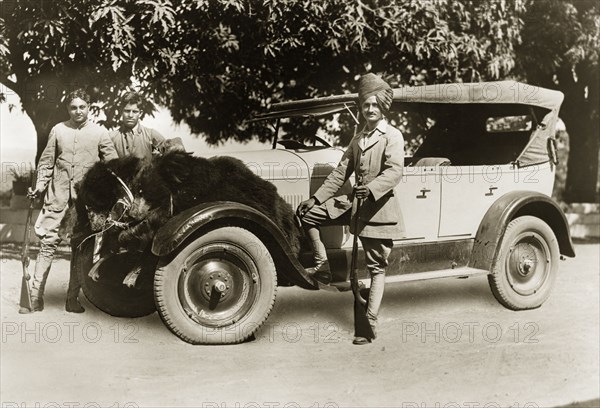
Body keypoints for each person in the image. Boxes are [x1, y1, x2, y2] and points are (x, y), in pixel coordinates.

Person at [296, 73, 405, 345]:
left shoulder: (392, 136)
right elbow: (340, 173)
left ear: (383, 107)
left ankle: (369, 322)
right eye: (365, 105)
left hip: (378, 207)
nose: (369, 109)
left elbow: (395, 172)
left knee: (376, 267)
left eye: (374, 105)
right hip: (354, 203)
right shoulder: (358, 139)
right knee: (307, 215)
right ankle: (323, 267)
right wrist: (317, 199)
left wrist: (370, 189)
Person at [22, 89, 119, 314]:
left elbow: (113, 166)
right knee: (47, 245)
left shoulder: (100, 133)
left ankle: (72, 299)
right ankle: (34, 297)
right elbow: (46, 162)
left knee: (80, 249)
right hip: (56, 198)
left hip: (84, 204)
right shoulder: (58, 130)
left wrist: (102, 192)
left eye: (82, 107)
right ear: (68, 109)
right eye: (73, 107)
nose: (78, 111)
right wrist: (39, 187)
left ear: (89, 107)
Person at [110, 92, 168, 160]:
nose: (130, 115)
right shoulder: (112, 138)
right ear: (121, 112)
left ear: (140, 113)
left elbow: (173, 151)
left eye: (135, 112)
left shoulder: (151, 135)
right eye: (127, 111)